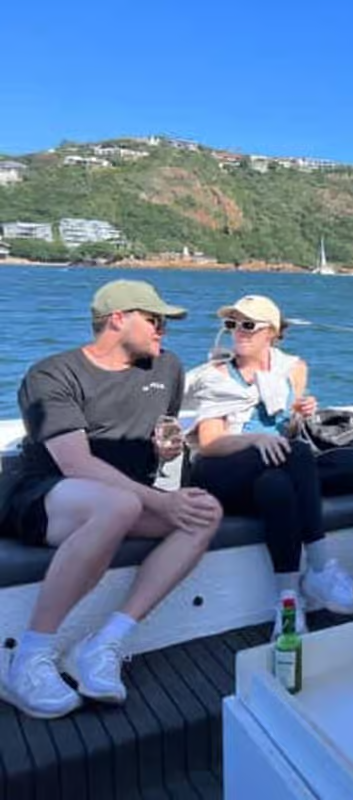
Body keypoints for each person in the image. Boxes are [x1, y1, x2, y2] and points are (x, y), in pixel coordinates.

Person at [0, 280, 223, 719]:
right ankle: (27, 658)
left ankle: (104, 643)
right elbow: (76, 464)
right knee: (118, 505)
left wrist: (166, 450)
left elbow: (160, 434)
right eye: (154, 319)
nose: (163, 330)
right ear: (117, 319)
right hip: (42, 494)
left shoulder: (167, 368)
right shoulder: (52, 375)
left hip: (121, 498)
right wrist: (162, 503)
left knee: (205, 512)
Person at [185, 295, 353, 634]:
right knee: (299, 454)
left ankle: (288, 600)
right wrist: (255, 440)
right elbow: (209, 443)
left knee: (276, 485)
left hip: (268, 473)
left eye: (248, 325)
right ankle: (321, 568)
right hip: (220, 471)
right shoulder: (217, 376)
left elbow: (286, 431)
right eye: (232, 324)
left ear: (272, 332)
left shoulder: (292, 369)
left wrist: (299, 413)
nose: (238, 331)